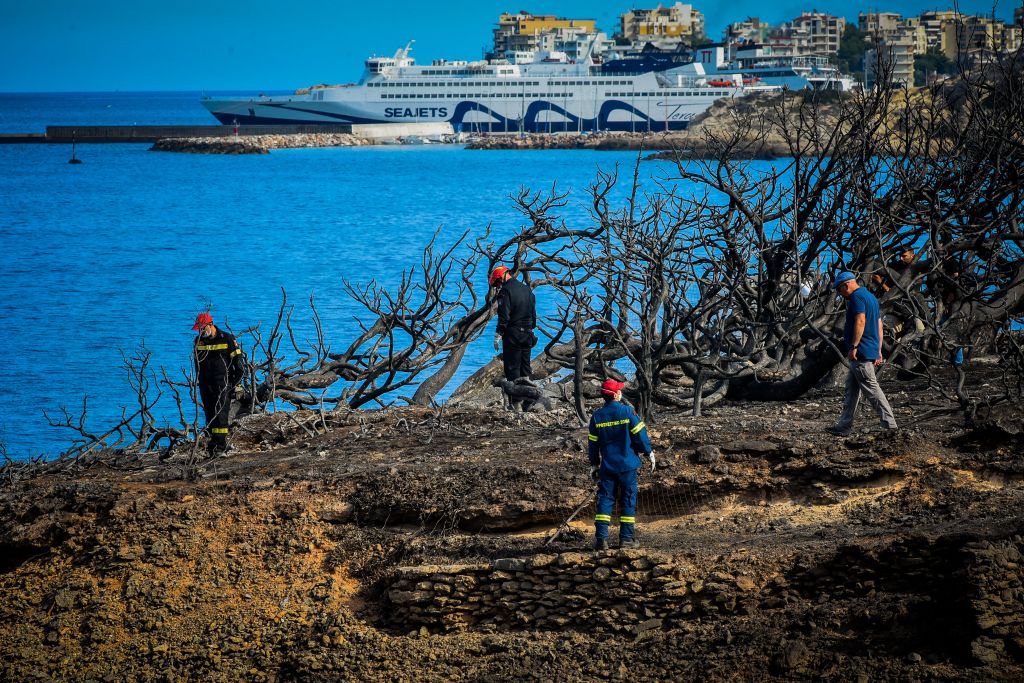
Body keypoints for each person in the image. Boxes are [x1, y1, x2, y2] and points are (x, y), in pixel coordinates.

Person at [587, 379, 655, 550]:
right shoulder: (627, 412)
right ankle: (626, 539)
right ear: (616, 395)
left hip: (607, 467)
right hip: (627, 466)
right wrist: (648, 452)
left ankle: (601, 540)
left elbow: (593, 444)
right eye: (620, 391)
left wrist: (594, 464)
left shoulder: (596, 417)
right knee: (628, 500)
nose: (621, 392)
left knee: (605, 500)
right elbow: (640, 436)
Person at [827, 272, 898, 436]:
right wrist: (878, 349)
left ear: (846, 285)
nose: (839, 293)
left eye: (839, 289)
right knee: (851, 390)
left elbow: (861, 320)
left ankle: (890, 424)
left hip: (861, 351)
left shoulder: (857, 298)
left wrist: (854, 346)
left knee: (871, 388)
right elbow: (879, 325)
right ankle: (844, 426)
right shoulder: (871, 297)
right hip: (869, 348)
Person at [192, 312, 246, 455]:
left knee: (221, 416)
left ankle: (220, 448)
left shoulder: (227, 339)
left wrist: (236, 385)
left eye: (203, 328)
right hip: (205, 385)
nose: (201, 331)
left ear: (211, 325)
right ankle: (212, 445)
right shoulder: (198, 341)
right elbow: (197, 364)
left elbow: (239, 365)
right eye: (199, 329)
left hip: (223, 385)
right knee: (210, 416)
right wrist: (198, 382)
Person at [490, 265, 537, 382]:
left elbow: (504, 317)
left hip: (513, 336)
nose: (498, 286)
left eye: (497, 283)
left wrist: (498, 335)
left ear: (501, 278)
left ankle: (516, 399)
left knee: (512, 369)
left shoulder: (505, 291)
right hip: (527, 333)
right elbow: (533, 315)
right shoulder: (527, 289)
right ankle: (529, 398)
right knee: (526, 368)